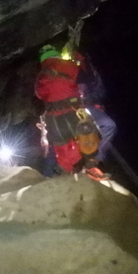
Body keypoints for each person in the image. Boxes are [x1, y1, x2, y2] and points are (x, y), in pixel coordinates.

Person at [35, 45, 108, 180]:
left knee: (61, 150)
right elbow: (87, 79)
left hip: (54, 121)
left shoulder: (40, 76)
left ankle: (59, 175)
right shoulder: (67, 65)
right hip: (72, 114)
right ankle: (90, 165)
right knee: (91, 136)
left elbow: (40, 94)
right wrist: (80, 60)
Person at [76, 53, 117, 163]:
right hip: (76, 106)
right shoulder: (73, 70)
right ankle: (92, 158)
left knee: (108, 126)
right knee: (108, 126)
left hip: (89, 105)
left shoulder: (91, 71)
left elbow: (101, 92)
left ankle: (94, 158)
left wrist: (88, 99)